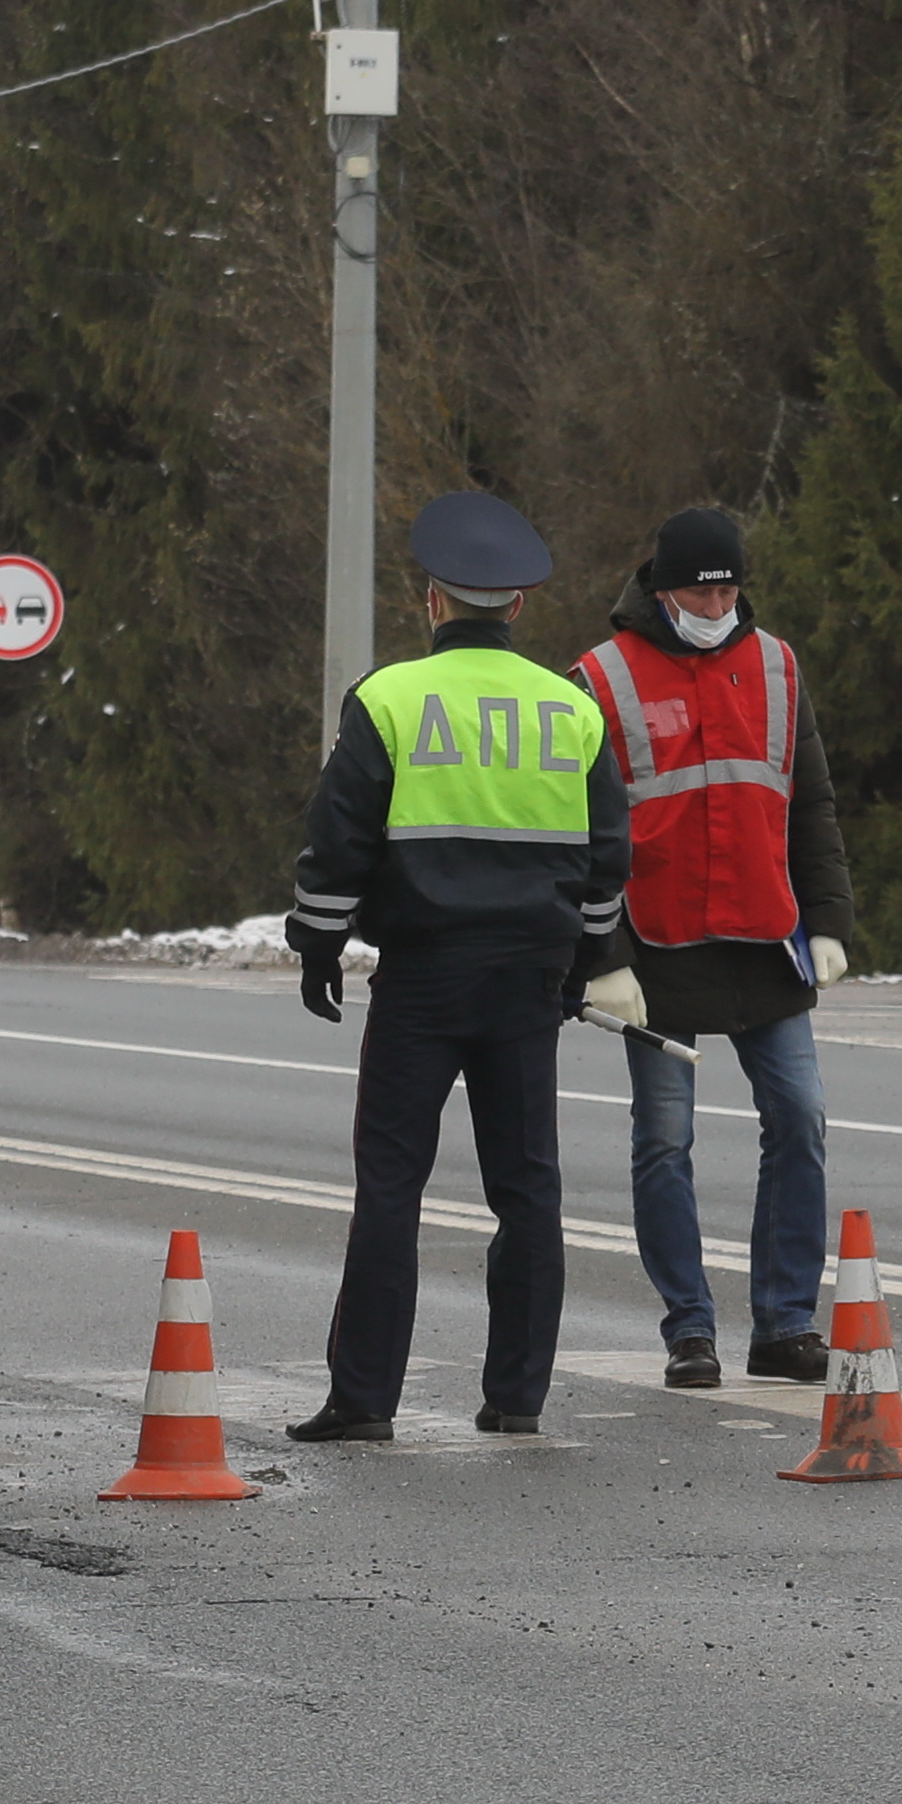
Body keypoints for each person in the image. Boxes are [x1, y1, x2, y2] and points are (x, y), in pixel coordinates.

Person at [283, 491, 630, 1442]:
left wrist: (318, 943)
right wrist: (586, 961)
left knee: (391, 1184)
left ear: (432, 600)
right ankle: (516, 1397)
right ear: (517, 605)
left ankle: (363, 1401)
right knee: (528, 1188)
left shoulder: (389, 698)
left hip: (425, 976)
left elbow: (338, 840)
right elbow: (608, 859)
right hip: (528, 978)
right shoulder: (574, 708)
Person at [570, 503, 855, 1392]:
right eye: (702, 584)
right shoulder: (599, 678)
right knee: (664, 1143)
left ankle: (785, 1325)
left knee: (800, 1121)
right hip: (657, 950)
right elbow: (578, 831)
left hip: (766, 939)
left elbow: (809, 803)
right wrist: (602, 954)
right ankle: (689, 1330)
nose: (718, 597)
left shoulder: (777, 666)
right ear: (662, 589)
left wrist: (832, 920)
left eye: (730, 583)